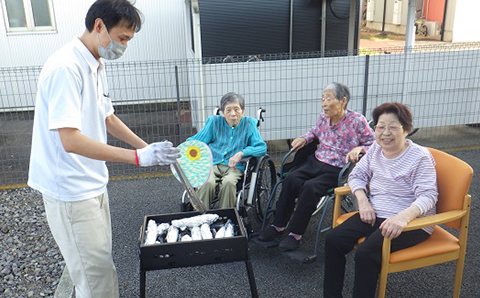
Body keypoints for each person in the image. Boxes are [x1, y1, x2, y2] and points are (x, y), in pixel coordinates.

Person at [27, 1, 180, 297]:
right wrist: (137, 157)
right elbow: (70, 140)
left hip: (93, 183)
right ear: (99, 26)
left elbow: (107, 117)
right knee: (95, 279)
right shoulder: (65, 68)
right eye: (122, 38)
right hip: (70, 191)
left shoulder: (95, 62)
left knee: (97, 269)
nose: (124, 46)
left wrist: (150, 149)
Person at [323, 102, 438, 298]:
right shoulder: (375, 149)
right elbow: (356, 176)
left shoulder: (420, 157)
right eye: (380, 126)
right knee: (333, 239)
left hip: (412, 222)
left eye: (393, 127)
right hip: (376, 213)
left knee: (366, 253)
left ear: (406, 129)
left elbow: (429, 195)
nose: (386, 133)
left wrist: (402, 217)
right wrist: (363, 201)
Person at [257, 82, 375, 251]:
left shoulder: (357, 121)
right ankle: (278, 225)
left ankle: (295, 234)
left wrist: (360, 148)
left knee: (310, 188)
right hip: (317, 160)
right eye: (323, 99)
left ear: (342, 101)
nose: (324, 103)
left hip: (338, 167)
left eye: (329, 99)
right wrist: (304, 139)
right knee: (291, 179)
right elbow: (314, 132)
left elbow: (374, 144)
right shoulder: (323, 117)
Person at [187, 92, 267, 209]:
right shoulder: (214, 123)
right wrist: (180, 149)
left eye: (236, 109)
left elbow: (261, 147)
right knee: (206, 183)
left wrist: (242, 153)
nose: (233, 114)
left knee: (228, 183)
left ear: (243, 111)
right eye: (228, 110)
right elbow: (196, 142)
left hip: (234, 167)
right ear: (223, 113)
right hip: (212, 164)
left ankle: (226, 218)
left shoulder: (249, 124)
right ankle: (200, 218)